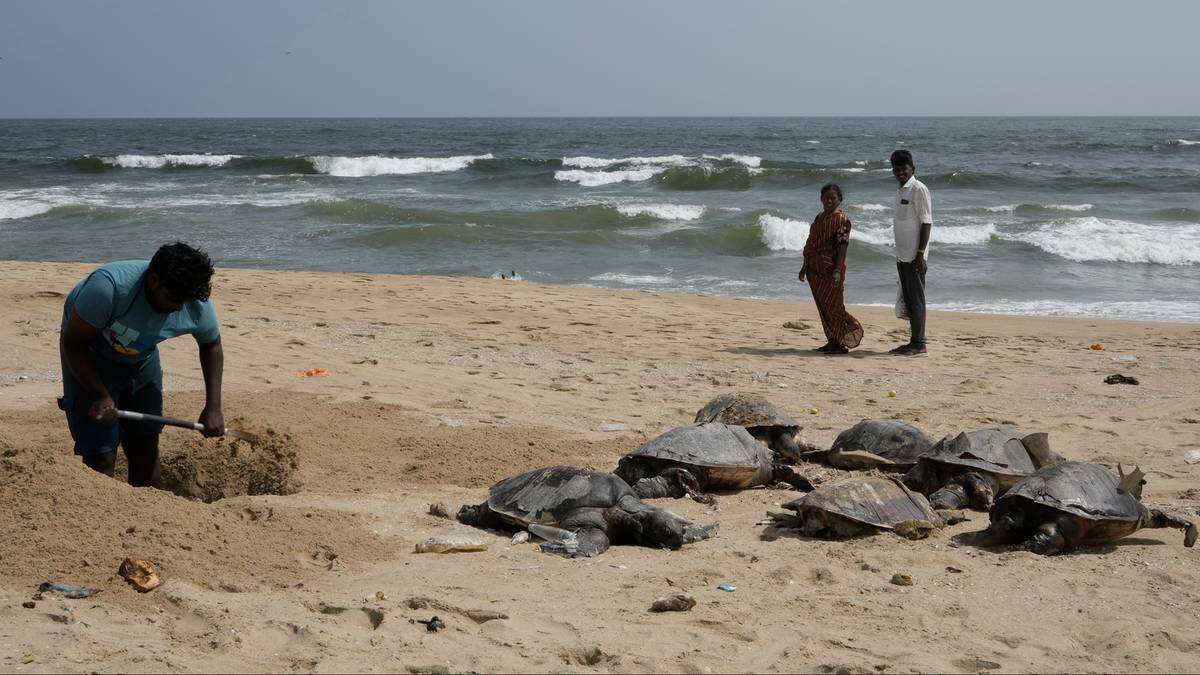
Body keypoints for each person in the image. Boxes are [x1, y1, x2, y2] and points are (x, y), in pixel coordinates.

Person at [58, 242, 225, 487]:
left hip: (141, 358)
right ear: (154, 281)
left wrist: (213, 407)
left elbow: (211, 345)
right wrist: (101, 395)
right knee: (101, 454)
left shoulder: (193, 301)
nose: (178, 308)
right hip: (90, 356)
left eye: (185, 301)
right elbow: (73, 344)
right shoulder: (108, 289)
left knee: (146, 446)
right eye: (174, 298)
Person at [798, 183, 863, 354]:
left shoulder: (842, 220)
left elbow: (843, 246)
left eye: (833, 198)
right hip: (814, 269)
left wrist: (837, 270)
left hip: (831, 269)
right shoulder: (819, 217)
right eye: (826, 197)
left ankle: (844, 338)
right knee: (823, 306)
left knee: (835, 307)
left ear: (839, 200)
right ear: (821, 199)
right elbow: (811, 242)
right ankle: (832, 340)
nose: (829, 201)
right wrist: (804, 267)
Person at [889, 149, 932, 356]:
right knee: (908, 299)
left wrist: (920, 254)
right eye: (896, 169)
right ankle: (913, 341)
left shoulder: (919, 189)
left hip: (916, 256)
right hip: (902, 254)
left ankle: (919, 343)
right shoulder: (900, 191)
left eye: (904, 169)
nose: (900, 173)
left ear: (912, 169)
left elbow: (926, 222)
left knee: (917, 299)